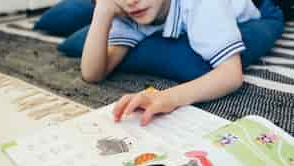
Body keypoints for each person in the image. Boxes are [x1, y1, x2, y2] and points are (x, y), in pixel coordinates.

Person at [81, 0, 284, 126]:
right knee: (69, 12)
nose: (131, 1)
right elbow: (93, 73)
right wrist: (102, 11)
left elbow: (231, 75)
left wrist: (167, 97)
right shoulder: (130, 11)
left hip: (257, 7)